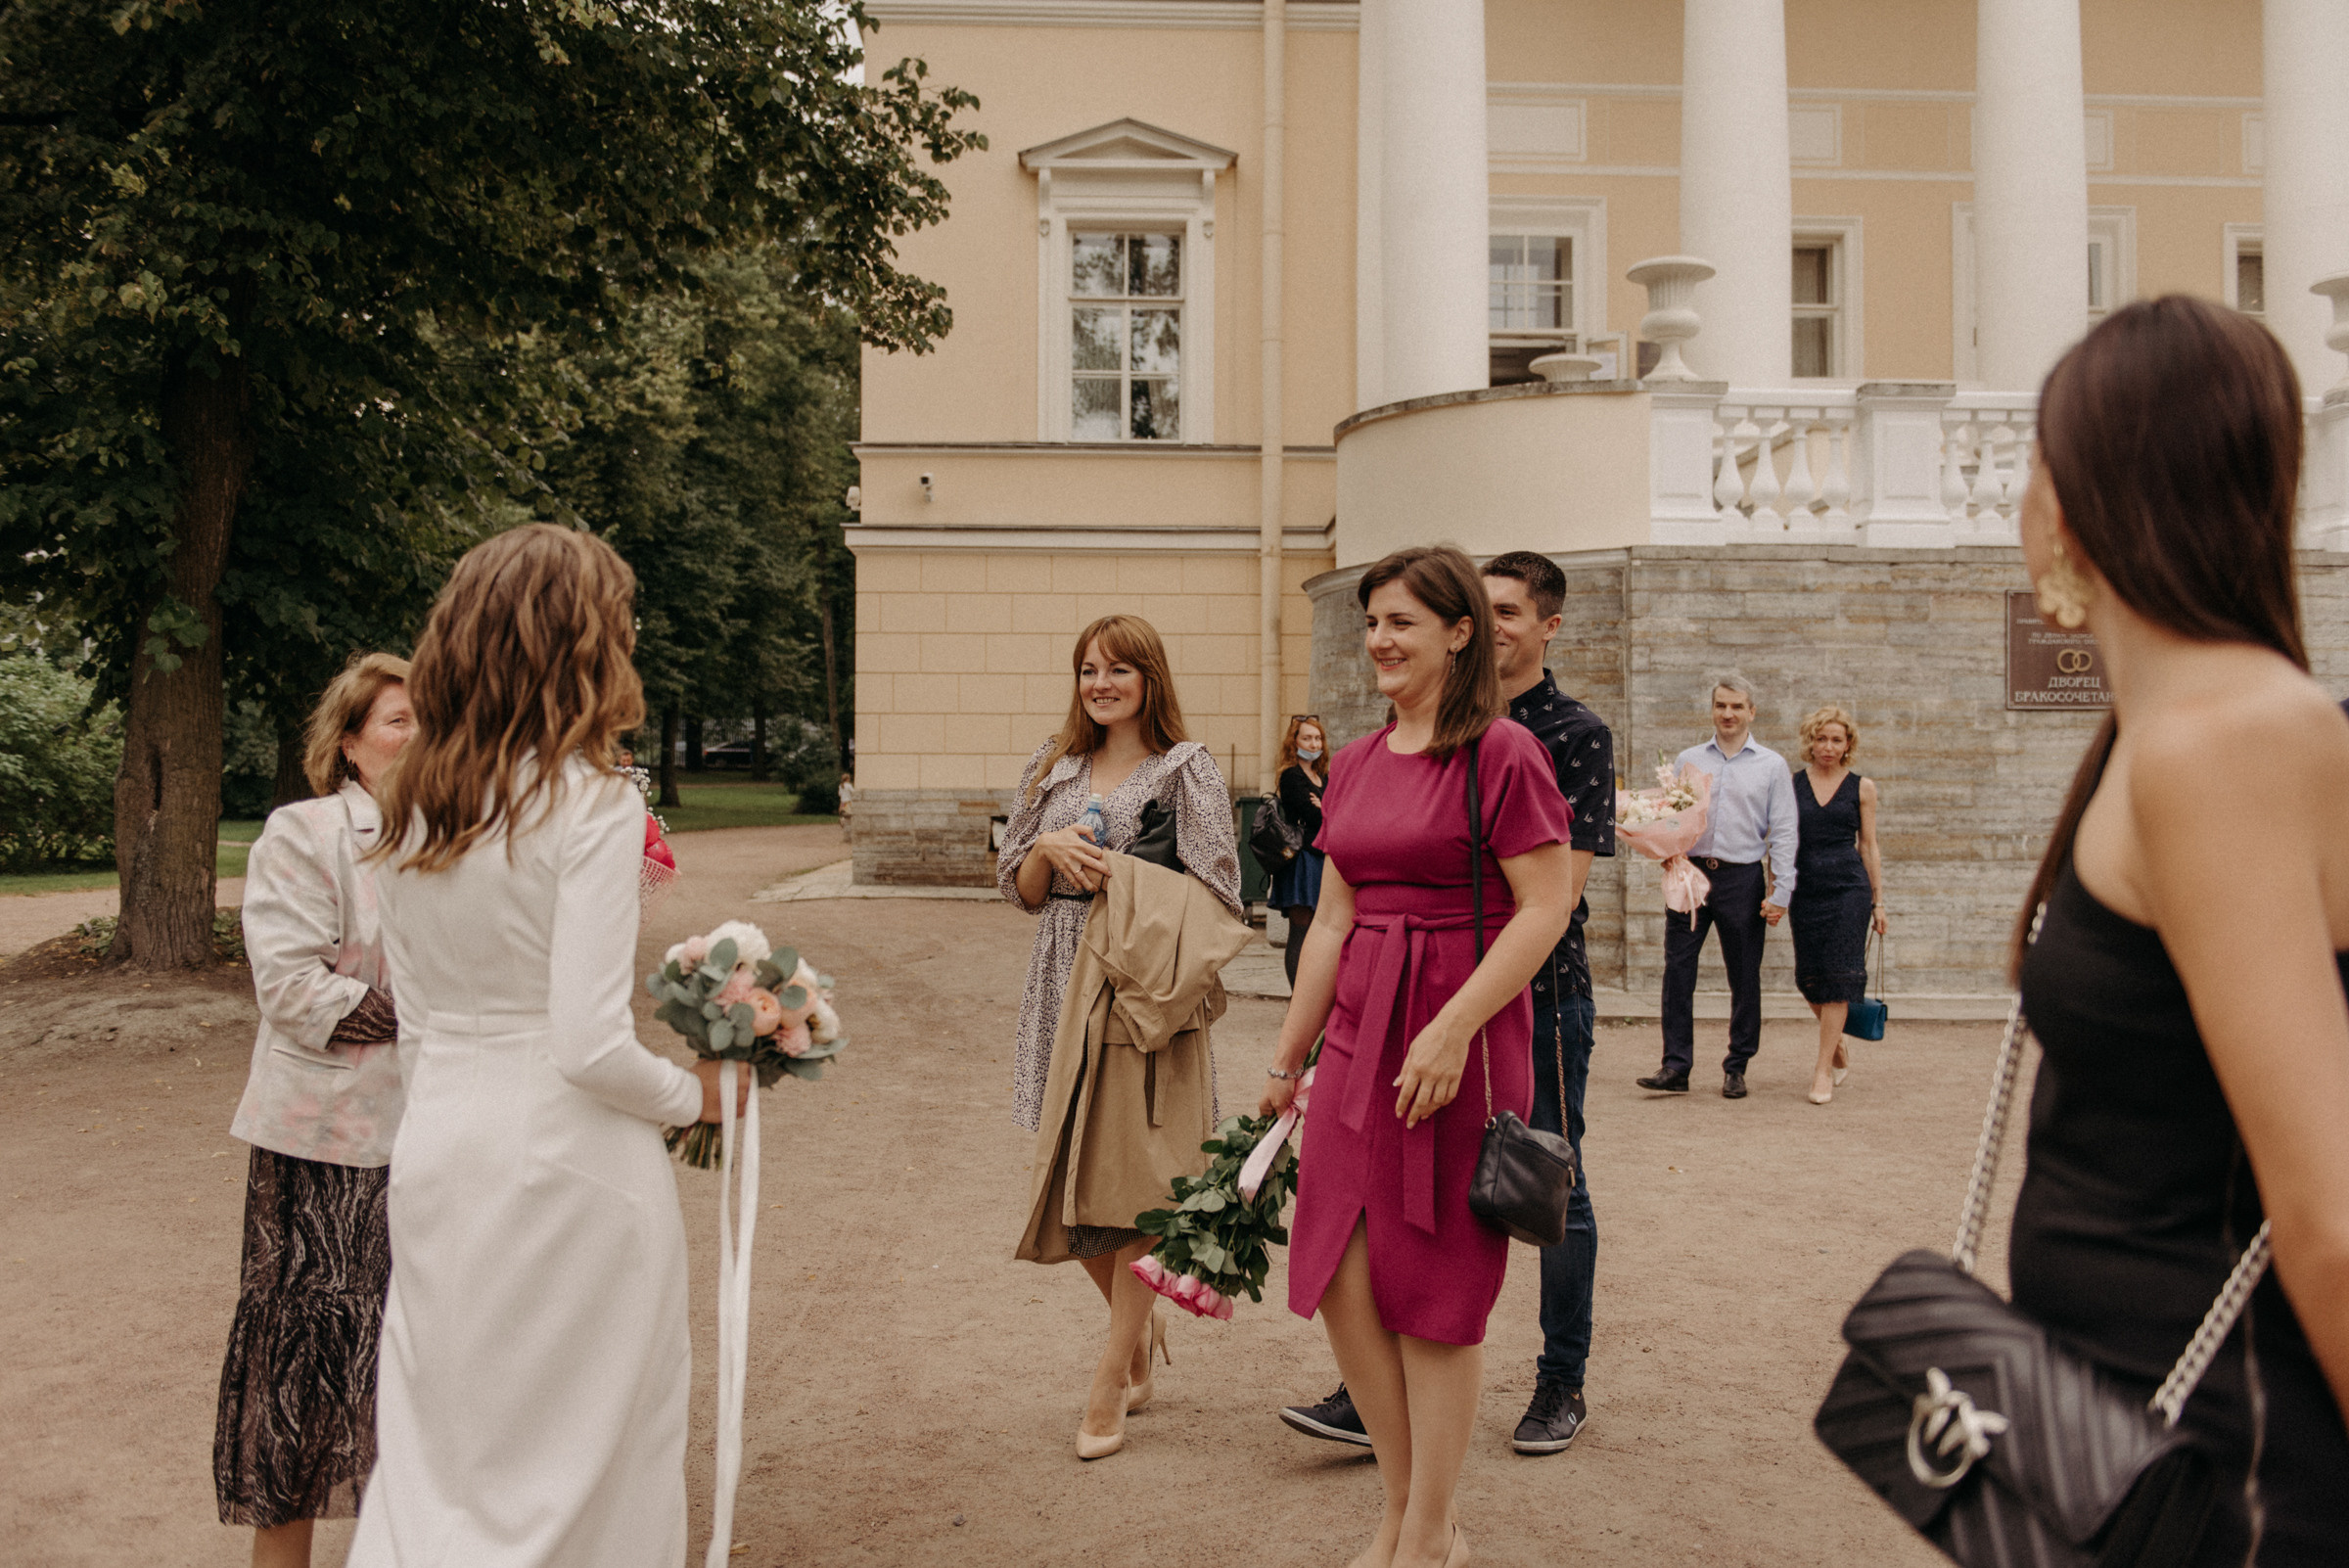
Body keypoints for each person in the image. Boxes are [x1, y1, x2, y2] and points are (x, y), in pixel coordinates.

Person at [2006, 296, 2349, 1563]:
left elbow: (2330, 1212)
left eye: (2041, 451)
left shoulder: (2234, 737)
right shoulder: (2170, 727)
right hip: (2116, 1434)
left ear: (2091, 484)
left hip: (2232, 1464)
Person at [348, 526, 746, 1568]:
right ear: (580, 646)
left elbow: (422, 1025)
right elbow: (585, 1044)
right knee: (589, 1456)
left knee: (444, 1455)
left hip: (439, 1148)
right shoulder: (593, 804)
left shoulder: (410, 807)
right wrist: (696, 1098)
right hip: (569, 1167)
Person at [1261, 545, 1573, 1568]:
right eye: (1373, 623)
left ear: (1459, 633)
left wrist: (1454, 1029)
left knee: (1433, 1287)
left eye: (1403, 621)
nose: (1382, 641)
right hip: (1359, 1036)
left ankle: (1430, 1527)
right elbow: (1331, 924)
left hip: (1459, 1034)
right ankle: (1402, 1501)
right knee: (1343, 1272)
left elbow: (1546, 906)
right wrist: (1287, 1052)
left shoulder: (1502, 755)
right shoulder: (1350, 763)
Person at [996, 613, 1243, 1460]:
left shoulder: (1186, 771)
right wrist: (1049, 848)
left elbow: (1221, 892)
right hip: (1060, 972)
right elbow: (1015, 887)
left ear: (1150, 680)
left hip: (1140, 983)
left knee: (1137, 1180)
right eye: (1088, 669)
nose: (1101, 684)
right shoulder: (1053, 765)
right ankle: (1136, 1343)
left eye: (1119, 670)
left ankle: (1109, 1381)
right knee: (1074, 1172)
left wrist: (1122, 873)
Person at [214, 653, 412, 1568]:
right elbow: (294, 987)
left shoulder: (458, 839)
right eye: (399, 721)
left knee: (408, 1355)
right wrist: (450, 1013)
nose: (420, 738)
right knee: (305, 1356)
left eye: (433, 722)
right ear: (349, 747)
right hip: (324, 1145)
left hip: (430, 1138)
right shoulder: (307, 833)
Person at [1635, 672, 1797, 1099]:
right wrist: (1666, 851)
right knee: (1678, 970)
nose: (1728, 714)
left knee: (1744, 975)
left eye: (1737, 706)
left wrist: (1781, 892)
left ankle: (1737, 1065)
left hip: (1742, 879)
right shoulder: (1689, 759)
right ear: (1712, 709)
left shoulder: (1772, 766)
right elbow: (1670, 815)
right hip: (1691, 876)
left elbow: (1783, 830)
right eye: (1721, 705)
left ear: (1751, 712)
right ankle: (1676, 1066)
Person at [1787, 706, 1885, 1105]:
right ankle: (1838, 1046)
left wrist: (1879, 902)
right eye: (1821, 738)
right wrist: (1775, 889)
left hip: (1849, 889)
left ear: (1848, 745)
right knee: (1808, 979)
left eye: (1836, 739)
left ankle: (1822, 1069)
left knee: (1840, 978)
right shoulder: (1791, 785)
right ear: (1810, 741)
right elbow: (1777, 841)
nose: (1828, 746)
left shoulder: (1863, 787)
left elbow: (1869, 845)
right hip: (1804, 889)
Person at [1271, 715, 1328, 990]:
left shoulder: (1322, 776)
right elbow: (1313, 816)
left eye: (1317, 738)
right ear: (1294, 742)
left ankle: (1310, 993)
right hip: (1301, 859)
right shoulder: (1291, 775)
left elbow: (1333, 812)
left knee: (1317, 930)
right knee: (1300, 929)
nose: (1313, 743)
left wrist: (1325, 806)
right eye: (1307, 738)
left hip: (1320, 857)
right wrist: (1326, 808)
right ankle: (1298, 996)